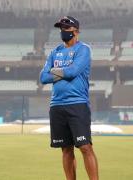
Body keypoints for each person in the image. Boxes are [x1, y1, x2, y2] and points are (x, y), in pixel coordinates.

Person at [40, 16, 99, 180]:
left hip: (77, 104)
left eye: (66, 28)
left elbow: (74, 71)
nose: (63, 31)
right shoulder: (55, 52)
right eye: (61, 28)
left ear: (75, 31)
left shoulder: (84, 49)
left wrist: (55, 72)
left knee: (85, 147)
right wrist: (64, 71)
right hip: (57, 105)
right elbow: (42, 77)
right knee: (66, 149)